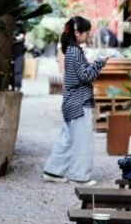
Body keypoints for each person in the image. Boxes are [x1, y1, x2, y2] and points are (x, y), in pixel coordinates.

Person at [42, 15, 106, 185]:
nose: (88, 36)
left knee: (67, 139)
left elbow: (79, 74)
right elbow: (86, 77)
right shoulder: (76, 51)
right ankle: (79, 176)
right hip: (80, 102)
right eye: (87, 33)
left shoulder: (69, 50)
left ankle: (53, 171)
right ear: (78, 33)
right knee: (83, 141)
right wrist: (99, 63)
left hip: (70, 101)